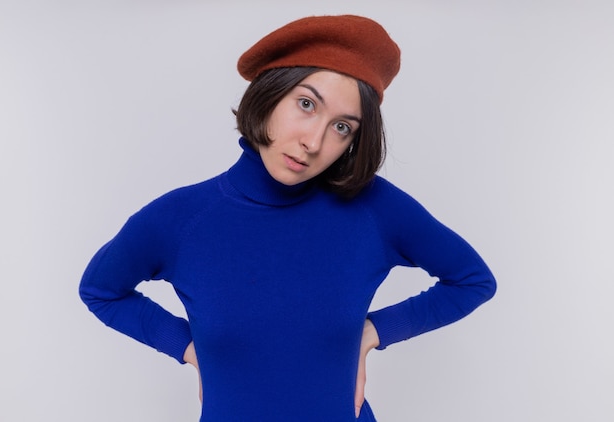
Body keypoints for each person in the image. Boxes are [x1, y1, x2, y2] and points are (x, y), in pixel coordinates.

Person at [79, 14, 496, 421]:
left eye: (342, 127)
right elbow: (101, 289)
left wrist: (373, 332)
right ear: (268, 95)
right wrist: (188, 347)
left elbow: (472, 280)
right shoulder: (181, 219)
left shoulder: (374, 209)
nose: (313, 141)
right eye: (306, 103)